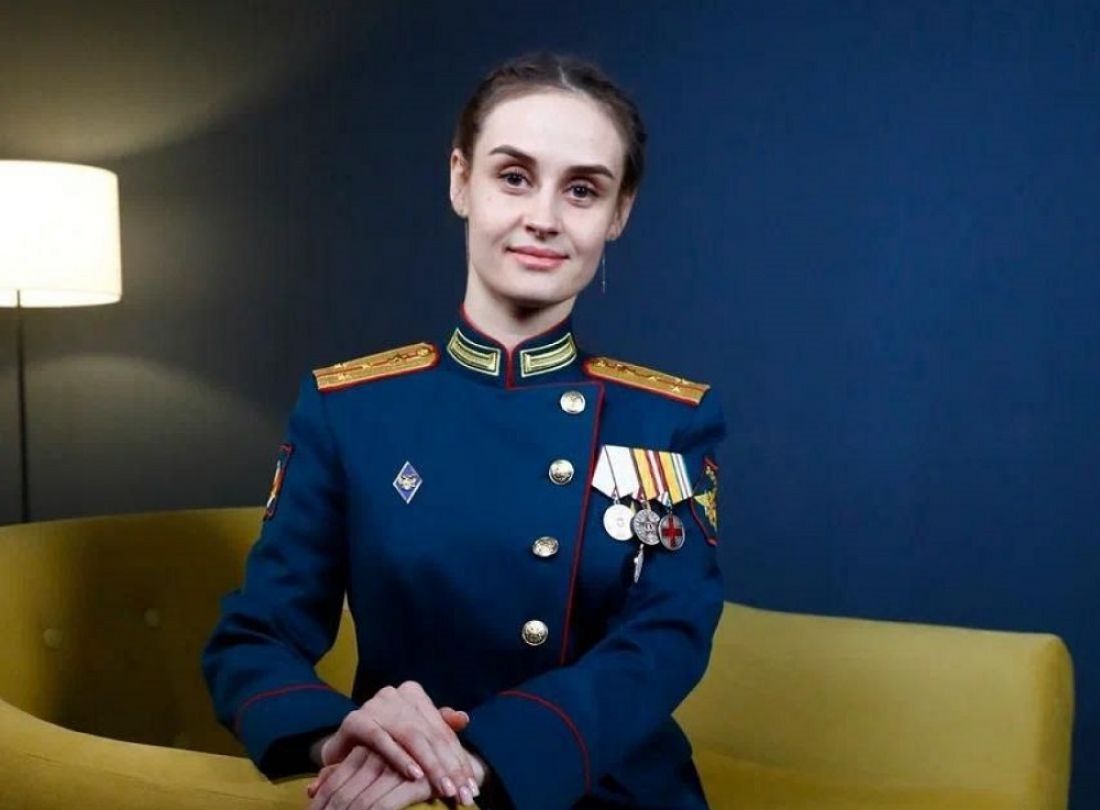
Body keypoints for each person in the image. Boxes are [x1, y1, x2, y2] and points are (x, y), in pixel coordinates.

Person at [202, 51, 726, 810]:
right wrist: (348, 737)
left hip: (611, 791)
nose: (543, 217)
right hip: (404, 795)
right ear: (460, 181)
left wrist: (487, 755)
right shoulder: (350, 409)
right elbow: (254, 639)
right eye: (513, 176)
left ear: (619, 213)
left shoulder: (666, 418)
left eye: (582, 190)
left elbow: (668, 635)